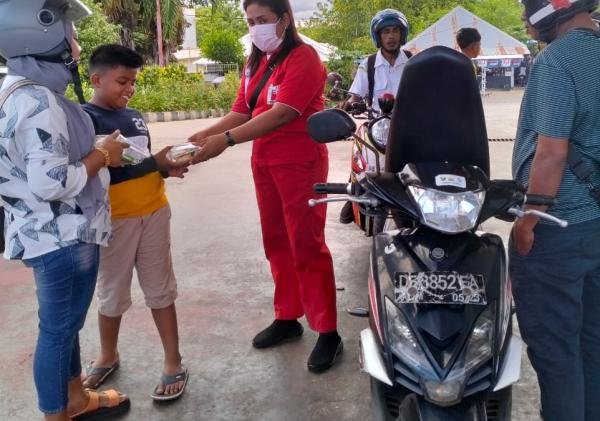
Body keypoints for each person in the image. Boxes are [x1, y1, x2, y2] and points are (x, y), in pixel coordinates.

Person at [188, 0, 342, 374]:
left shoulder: (304, 58)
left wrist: (224, 140)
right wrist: (202, 135)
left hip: (300, 162)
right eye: (251, 21)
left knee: (307, 244)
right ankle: (287, 316)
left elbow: (283, 113)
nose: (256, 27)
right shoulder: (254, 62)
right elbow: (243, 109)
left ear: (284, 20)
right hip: (265, 163)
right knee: (276, 241)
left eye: (263, 20)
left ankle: (327, 331)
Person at [0, 1, 130, 420]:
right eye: (69, 33)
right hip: (62, 235)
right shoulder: (40, 101)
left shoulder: (14, 89)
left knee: (65, 326)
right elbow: (51, 183)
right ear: (41, 33)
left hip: (43, 231)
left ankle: (75, 399)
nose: (74, 43)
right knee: (57, 332)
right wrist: (103, 154)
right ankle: (56, 413)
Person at [80, 44, 190, 401]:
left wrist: (165, 168)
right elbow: (108, 170)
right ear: (96, 79)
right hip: (115, 222)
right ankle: (107, 355)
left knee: (160, 289)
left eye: (133, 82)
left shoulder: (136, 116)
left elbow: (138, 165)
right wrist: (154, 163)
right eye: (122, 81)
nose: (129, 88)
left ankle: (173, 362)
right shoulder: (85, 120)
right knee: (111, 293)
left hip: (155, 212)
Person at [510, 1, 600, 420]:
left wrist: (530, 217)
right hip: (597, 222)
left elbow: (551, 152)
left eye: (528, 11)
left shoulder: (557, 60)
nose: (526, 22)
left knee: (556, 352)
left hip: (560, 226)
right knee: (592, 343)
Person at [340, 8, 411, 224]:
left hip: (407, 127)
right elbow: (355, 96)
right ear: (378, 36)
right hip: (376, 126)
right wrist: (346, 106)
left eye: (395, 31)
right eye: (386, 32)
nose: (391, 36)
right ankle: (355, 191)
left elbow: (426, 91)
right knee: (362, 158)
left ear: (402, 34)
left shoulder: (412, 62)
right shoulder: (369, 64)